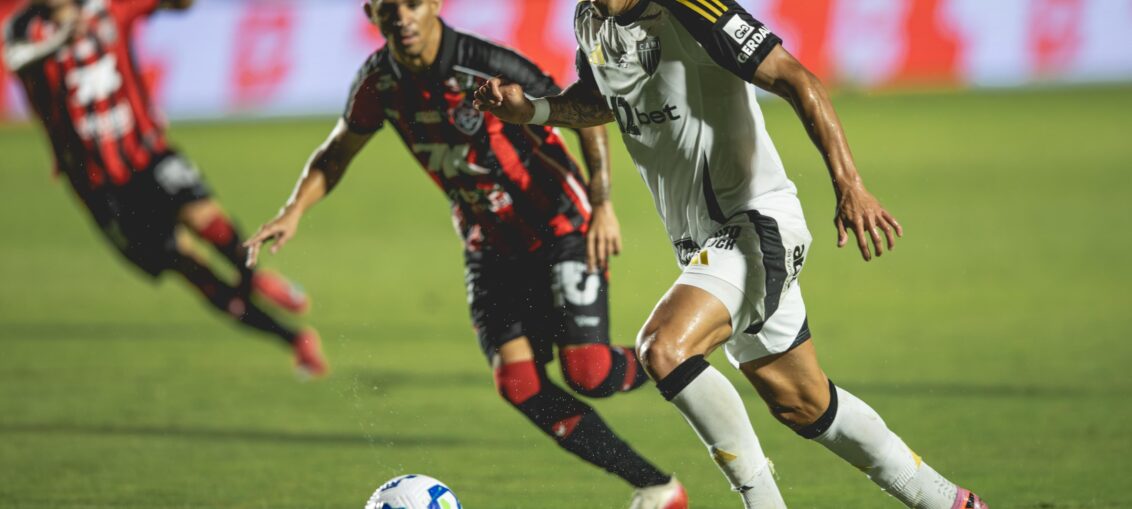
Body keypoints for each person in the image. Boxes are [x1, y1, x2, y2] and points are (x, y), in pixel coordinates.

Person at [473, 0, 989, 508]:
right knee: (803, 404)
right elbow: (601, 99)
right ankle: (952, 502)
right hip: (704, 246)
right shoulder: (589, 19)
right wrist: (534, 110)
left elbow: (796, 78)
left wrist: (849, 184)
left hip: (756, 224)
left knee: (663, 347)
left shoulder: (687, 7)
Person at [244, 1, 685, 507]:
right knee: (519, 383)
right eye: (389, 8)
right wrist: (293, 210)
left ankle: (674, 353)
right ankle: (657, 487)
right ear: (371, 13)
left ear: (434, 4)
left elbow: (583, 113)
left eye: (413, 3)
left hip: (557, 222)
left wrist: (602, 202)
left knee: (589, 372)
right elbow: (338, 151)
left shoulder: (485, 63)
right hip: (488, 242)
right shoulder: (379, 83)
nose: (402, 17)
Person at [3, 0, 326, 377]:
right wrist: (59, 40)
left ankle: (256, 277)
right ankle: (293, 340)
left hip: (147, 154)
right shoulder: (23, 28)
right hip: (101, 187)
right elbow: (15, 60)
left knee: (208, 219)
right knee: (189, 267)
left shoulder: (109, 9)